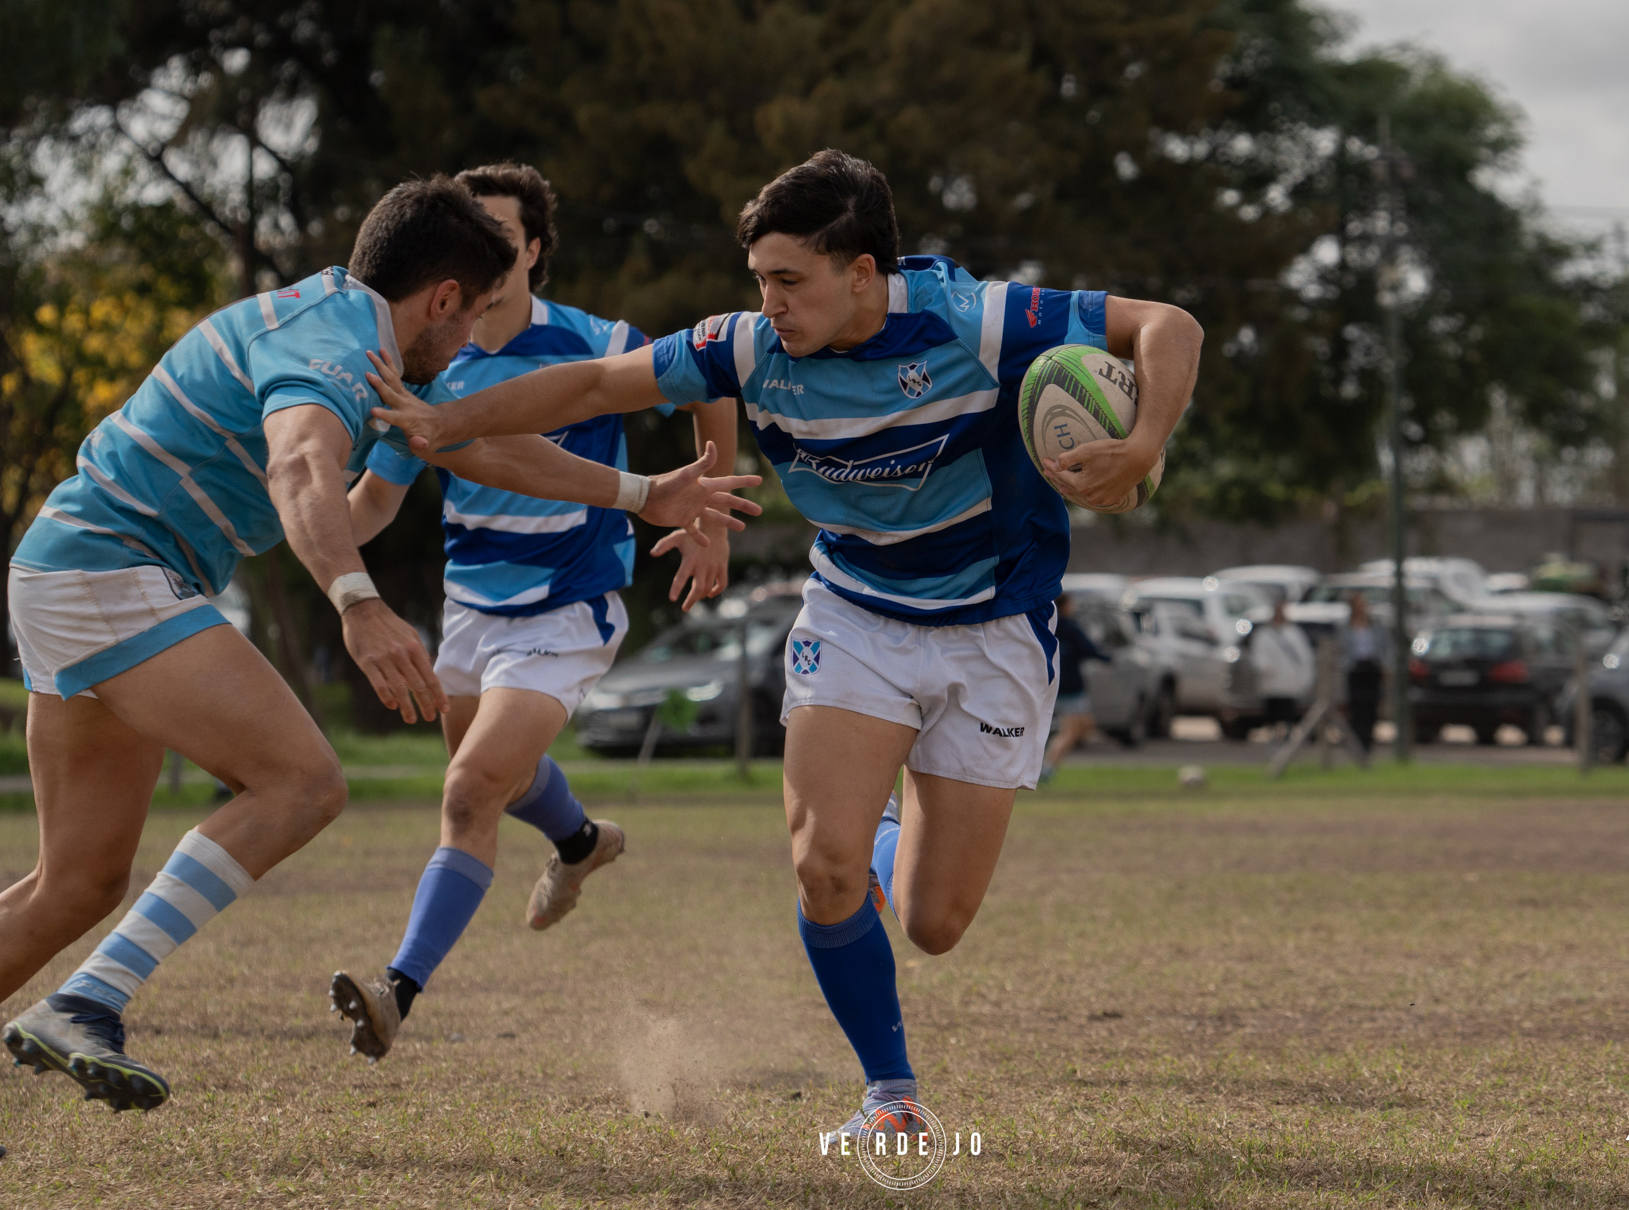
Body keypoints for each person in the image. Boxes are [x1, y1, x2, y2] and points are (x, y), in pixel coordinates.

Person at [361, 149, 1203, 1140]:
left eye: (790, 280)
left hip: (994, 623)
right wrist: (443, 419)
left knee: (934, 921)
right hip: (855, 613)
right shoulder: (749, 345)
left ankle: (889, 830)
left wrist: (1143, 441)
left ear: (862, 272)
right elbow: (590, 385)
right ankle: (891, 1094)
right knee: (822, 865)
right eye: (760, 278)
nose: (771, 303)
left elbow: (1167, 325)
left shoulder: (974, 320)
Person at [0, 176, 760, 1112]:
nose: (478, 335)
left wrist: (645, 495)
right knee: (304, 782)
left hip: (70, 570)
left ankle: (82, 988)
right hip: (114, 569)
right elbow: (302, 461)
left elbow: (474, 446)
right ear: (442, 298)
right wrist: (357, 603)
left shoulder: (355, 335)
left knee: (76, 884)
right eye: (475, 312)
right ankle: (87, 998)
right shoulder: (333, 348)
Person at [325, 164, 743, 1060]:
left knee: (471, 788)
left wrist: (708, 508)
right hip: (471, 610)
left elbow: (710, 378)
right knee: (498, 780)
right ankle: (583, 840)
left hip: (569, 608)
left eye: (505, 240)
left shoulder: (598, 341)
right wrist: (292, 521)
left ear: (536, 251)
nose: (487, 254)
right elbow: (370, 504)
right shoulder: (437, 361)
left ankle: (396, 989)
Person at [1039, 593, 1110, 782]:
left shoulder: (1047, 624)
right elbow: (1088, 648)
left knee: (1086, 725)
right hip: (1071, 687)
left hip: (1055, 683)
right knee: (1073, 730)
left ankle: (1048, 754)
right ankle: (1046, 767)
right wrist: (1106, 657)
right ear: (1066, 605)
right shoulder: (1069, 626)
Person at [1250, 599, 1314, 733]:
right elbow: (1258, 653)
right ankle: (1273, 733)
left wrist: (1306, 677)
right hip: (1271, 679)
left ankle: (1287, 733)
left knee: (1288, 709)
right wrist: (1264, 668)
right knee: (1273, 708)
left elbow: (1305, 656)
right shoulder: (1264, 634)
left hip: (1289, 679)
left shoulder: (1294, 633)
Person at [1342, 592, 1389, 752]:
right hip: (1354, 669)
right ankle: (1357, 743)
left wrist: (1385, 666)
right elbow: (1341, 649)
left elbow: (1386, 647)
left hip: (1372, 667)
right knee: (1357, 707)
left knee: (1371, 705)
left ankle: (1368, 742)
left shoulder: (1375, 625)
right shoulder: (1345, 627)